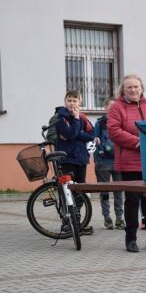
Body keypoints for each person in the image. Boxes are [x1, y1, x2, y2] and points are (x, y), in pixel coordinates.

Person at [108, 74, 146, 252]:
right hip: (129, 162)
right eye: (129, 87)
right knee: (132, 201)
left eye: (136, 87)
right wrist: (138, 142)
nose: (133, 90)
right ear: (123, 90)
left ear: (142, 88)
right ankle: (131, 239)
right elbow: (113, 130)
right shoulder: (117, 107)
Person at [54, 90, 95, 235]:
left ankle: (78, 222)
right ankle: (67, 223)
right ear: (65, 102)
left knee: (80, 192)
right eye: (70, 100)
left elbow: (91, 134)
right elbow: (69, 134)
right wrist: (76, 122)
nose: (72, 103)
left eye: (75, 101)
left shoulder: (83, 118)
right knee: (66, 192)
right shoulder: (60, 117)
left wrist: (77, 133)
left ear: (80, 103)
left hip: (81, 159)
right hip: (67, 159)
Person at [93, 98, 125, 230]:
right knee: (104, 192)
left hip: (119, 161)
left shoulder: (122, 123)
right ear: (105, 108)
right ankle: (107, 219)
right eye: (110, 107)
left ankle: (119, 219)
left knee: (119, 192)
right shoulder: (99, 123)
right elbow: (94, 140)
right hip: (103, 162)